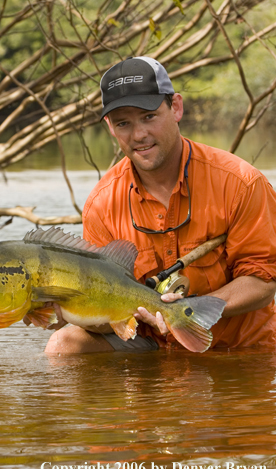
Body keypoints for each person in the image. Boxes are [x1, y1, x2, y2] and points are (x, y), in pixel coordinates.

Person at [45, 56, 276, 354]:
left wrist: (188, 312)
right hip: (152, 345)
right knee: (63, 346)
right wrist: (69, 309)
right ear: (110, 128)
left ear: (176, 107)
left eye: (148, 116)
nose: (139, 135)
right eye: (123, 123)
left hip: (240, 349)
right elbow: (103, 313)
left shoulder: (241, 183)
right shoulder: (101, 204)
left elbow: (263, 281)